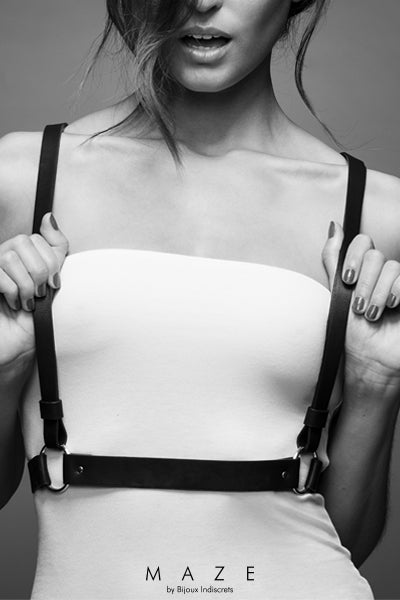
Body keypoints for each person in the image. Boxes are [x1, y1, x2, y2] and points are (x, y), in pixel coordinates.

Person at [1, 0, 400, 598]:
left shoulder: (378, 213)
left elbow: (345, 542)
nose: (204, 1)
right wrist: (5, 370)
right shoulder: (22, 178)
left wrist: (376, 385)